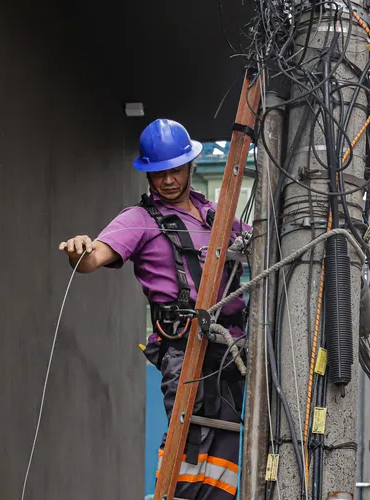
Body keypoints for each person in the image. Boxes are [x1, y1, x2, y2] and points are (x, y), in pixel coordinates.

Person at [59, 118, 249, 499]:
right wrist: (80, 251)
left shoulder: (219, 215)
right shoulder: (140, 221)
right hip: (185, 348)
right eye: (158, 173)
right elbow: (94, 257)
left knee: (228, 449)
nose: (168, 181)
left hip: (233, 349)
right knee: (192, 442)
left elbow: (260, 249)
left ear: (190, 166)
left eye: (175, 170)